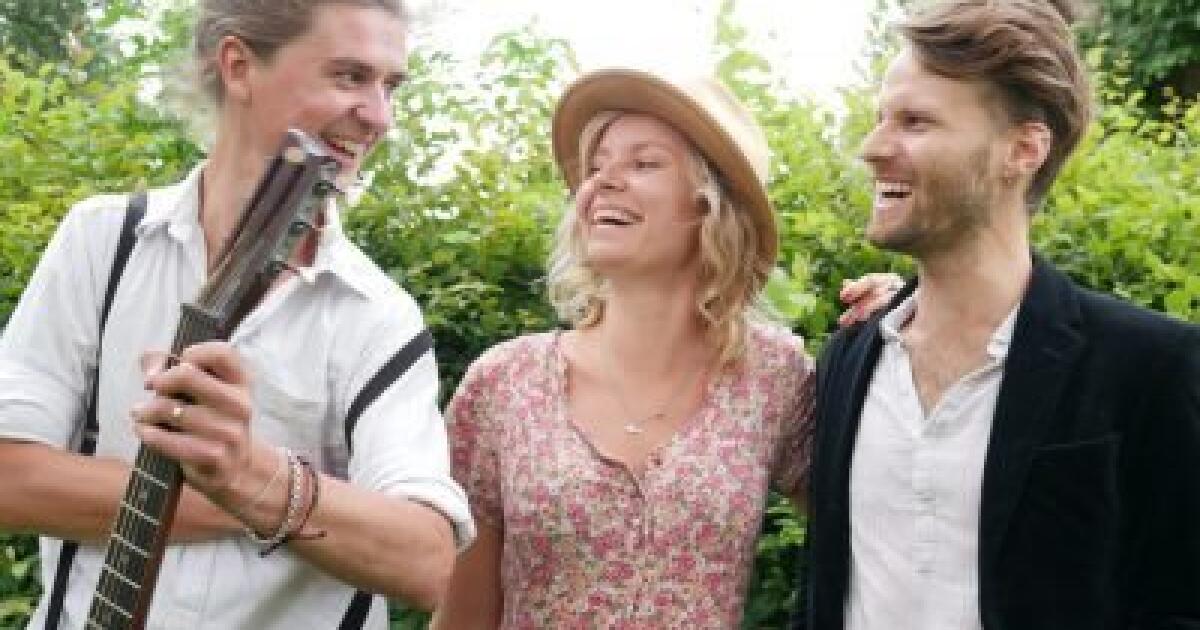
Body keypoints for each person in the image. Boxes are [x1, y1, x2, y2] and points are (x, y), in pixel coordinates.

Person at [0, 1, 473, 628]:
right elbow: (9, 476)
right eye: (350, 77)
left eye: (391, 87)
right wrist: (242, 498)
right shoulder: (105, 242)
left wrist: (253, 474)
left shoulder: (378, 315)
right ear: (239, 66)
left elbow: (424, 561)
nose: (379, 116)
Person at [430, 68, 900, 628]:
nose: (603, 182)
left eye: (644, 163)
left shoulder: (772, 377)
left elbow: (883, 532)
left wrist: (909, 326)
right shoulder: (505, 382)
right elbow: (463, 615)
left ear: (710, 202)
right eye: (596, 165)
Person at [795, 1, 1200, 629]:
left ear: (1023, 149)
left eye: (915, 122)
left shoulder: (1150, 366)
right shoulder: (848, 358)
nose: (872, 149)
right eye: (880, 120)